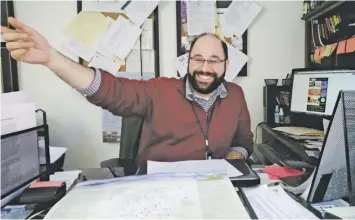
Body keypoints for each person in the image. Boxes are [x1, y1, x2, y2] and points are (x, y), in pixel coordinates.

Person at [1, 17, 253, 164]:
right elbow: (110, 90)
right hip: (157, 192)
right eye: (197, 59)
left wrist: (232, 158)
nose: (204, 68)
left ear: (226, 65)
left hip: (212, 190)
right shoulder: (159, 90)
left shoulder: (235, 96)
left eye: (213, 60)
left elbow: (244, 143)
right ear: (188, 62)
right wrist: (53, 59)